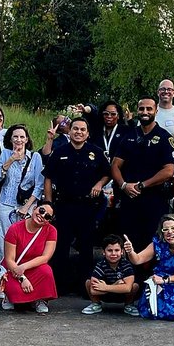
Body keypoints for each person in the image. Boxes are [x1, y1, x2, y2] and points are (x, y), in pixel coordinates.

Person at [41, 118, 110, 291]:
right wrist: (48, 202)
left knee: (86, 247)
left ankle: (85, 286)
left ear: (87, 133)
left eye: (82, 130)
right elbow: (48, 177)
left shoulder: (96, 152)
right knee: (61, 246)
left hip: (88, 207)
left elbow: (107, 173)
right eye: (75, 129)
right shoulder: (59, 152)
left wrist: (99, 184)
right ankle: (59, 286)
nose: (79, 132)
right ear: (69, 131)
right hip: (64, 205)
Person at [112, 98, 174, 273]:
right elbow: (115, 165)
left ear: (156, 110)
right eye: (141, 108)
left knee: (154, 241)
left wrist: (142, 185)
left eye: (149, 108)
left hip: (154, 200)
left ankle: (152, 282)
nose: (145, 112)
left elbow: (168, 171)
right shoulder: (129, 136)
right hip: (130, 199)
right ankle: (131, 283)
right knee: (129, 240)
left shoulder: (165, 137)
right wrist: (124, 185)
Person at [0, 125, 43, 265]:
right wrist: (11, 160)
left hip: (27, 205)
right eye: (15, 136)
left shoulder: (35, 157)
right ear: (10, 139)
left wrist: (26, 207)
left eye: (22, 137)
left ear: (26, 139)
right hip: (6, 203)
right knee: (4, 240)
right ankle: (3, 275)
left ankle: (22, 272)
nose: (19, 140)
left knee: (25, 240)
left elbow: (39, 185)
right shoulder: (5, 154)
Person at [0, 203, 58, 314]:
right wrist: (22, 278)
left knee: (46, 271)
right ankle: (10, 296)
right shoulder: (14, 229)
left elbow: (45, 257)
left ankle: (40, 299)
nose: (42, 215)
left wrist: (24, 267)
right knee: (16, 296)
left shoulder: (51, 231)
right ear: (34, 209)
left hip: (33, 268)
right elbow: (9, 259)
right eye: (41, 210)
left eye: (47, 216)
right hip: (14, 269)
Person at [82, 235, 139, 315]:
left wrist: (105, 287)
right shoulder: (100, 265)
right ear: (103, 252)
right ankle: (96, 304)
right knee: (88, 282)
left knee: (135, 286)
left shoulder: (126, 265)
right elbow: (93, 291)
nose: (113, 253)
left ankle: (129, 305)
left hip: (121, 295)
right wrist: (115, 285)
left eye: (117, 250)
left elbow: (127, 288)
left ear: (122, 251)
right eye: (109, 250)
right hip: (104, 296)